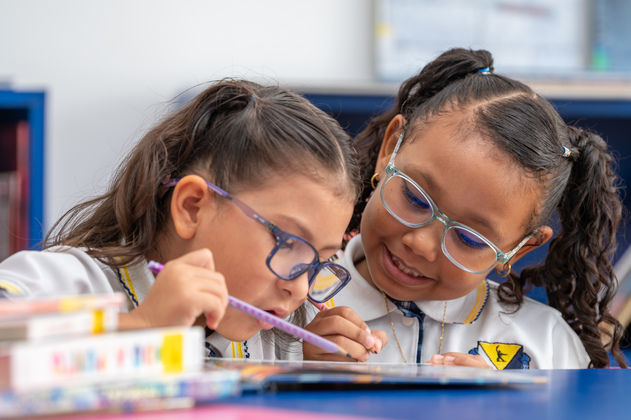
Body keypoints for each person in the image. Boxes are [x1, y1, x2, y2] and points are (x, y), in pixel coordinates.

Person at [0, 79, 375, 360]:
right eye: (290, 244)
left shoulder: (272, 339)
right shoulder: (73, 283)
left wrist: (309, 378)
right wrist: (139, 328)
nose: (299, 290)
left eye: (321, 262)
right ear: (192, 207)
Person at [303, 48, 627, 369]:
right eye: (415, 198)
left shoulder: (546, 344)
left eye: (469, 238)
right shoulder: (286, 305)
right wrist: (298, 372)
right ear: (390, 150)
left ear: (517, 250)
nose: (421, 244)